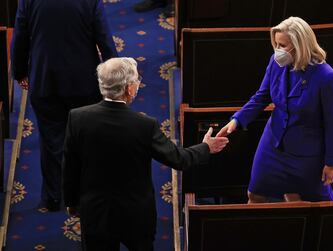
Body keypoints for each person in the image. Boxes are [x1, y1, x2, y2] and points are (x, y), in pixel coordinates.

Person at [62, 57, 229, 251]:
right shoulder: (144, 125)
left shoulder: (77, 118)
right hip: (135, 214)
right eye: (136, 82)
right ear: (128, 89)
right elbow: (178, 159)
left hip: (95, 211)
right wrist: (206, 146)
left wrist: (72, 202)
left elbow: (70, 167)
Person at [216, 16, 333, 203]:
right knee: (254, 193)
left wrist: (331, 163)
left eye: (283, 46)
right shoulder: (277, 63)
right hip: (273, 143)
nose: (278, 51)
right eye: (276, 44)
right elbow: (262, 95)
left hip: (306, 154)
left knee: (313, 202)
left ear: (300, 45)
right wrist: (237, 120)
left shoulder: (327, 78)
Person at [11, 0, 118, 211]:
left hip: (45, 80)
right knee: (85, 138)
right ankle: (84, 195)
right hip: (83, 82)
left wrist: (20, 71)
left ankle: (53, 198)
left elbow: (20, 38)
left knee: (51, 141)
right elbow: (104, 39)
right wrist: (115, 78)